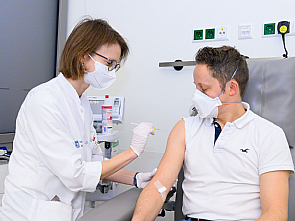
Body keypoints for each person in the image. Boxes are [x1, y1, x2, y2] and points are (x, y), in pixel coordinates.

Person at [2, 18, 156, 221]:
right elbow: (77, 175)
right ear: (84, 56)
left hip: (65, 210)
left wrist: (135, 178)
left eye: (115, 66)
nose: (111, 71)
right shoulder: (45, 100)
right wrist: (132, 152)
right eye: (108, 63)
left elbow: (94, 162)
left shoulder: (81, 103)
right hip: (31, 212)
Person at [132, 46, 294, 221]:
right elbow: (159, 185)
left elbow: (275, 213)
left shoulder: (269, 135)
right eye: (196, 88)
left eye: (204, 89)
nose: (196, 96)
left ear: (232, 88)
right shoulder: (185, 127)